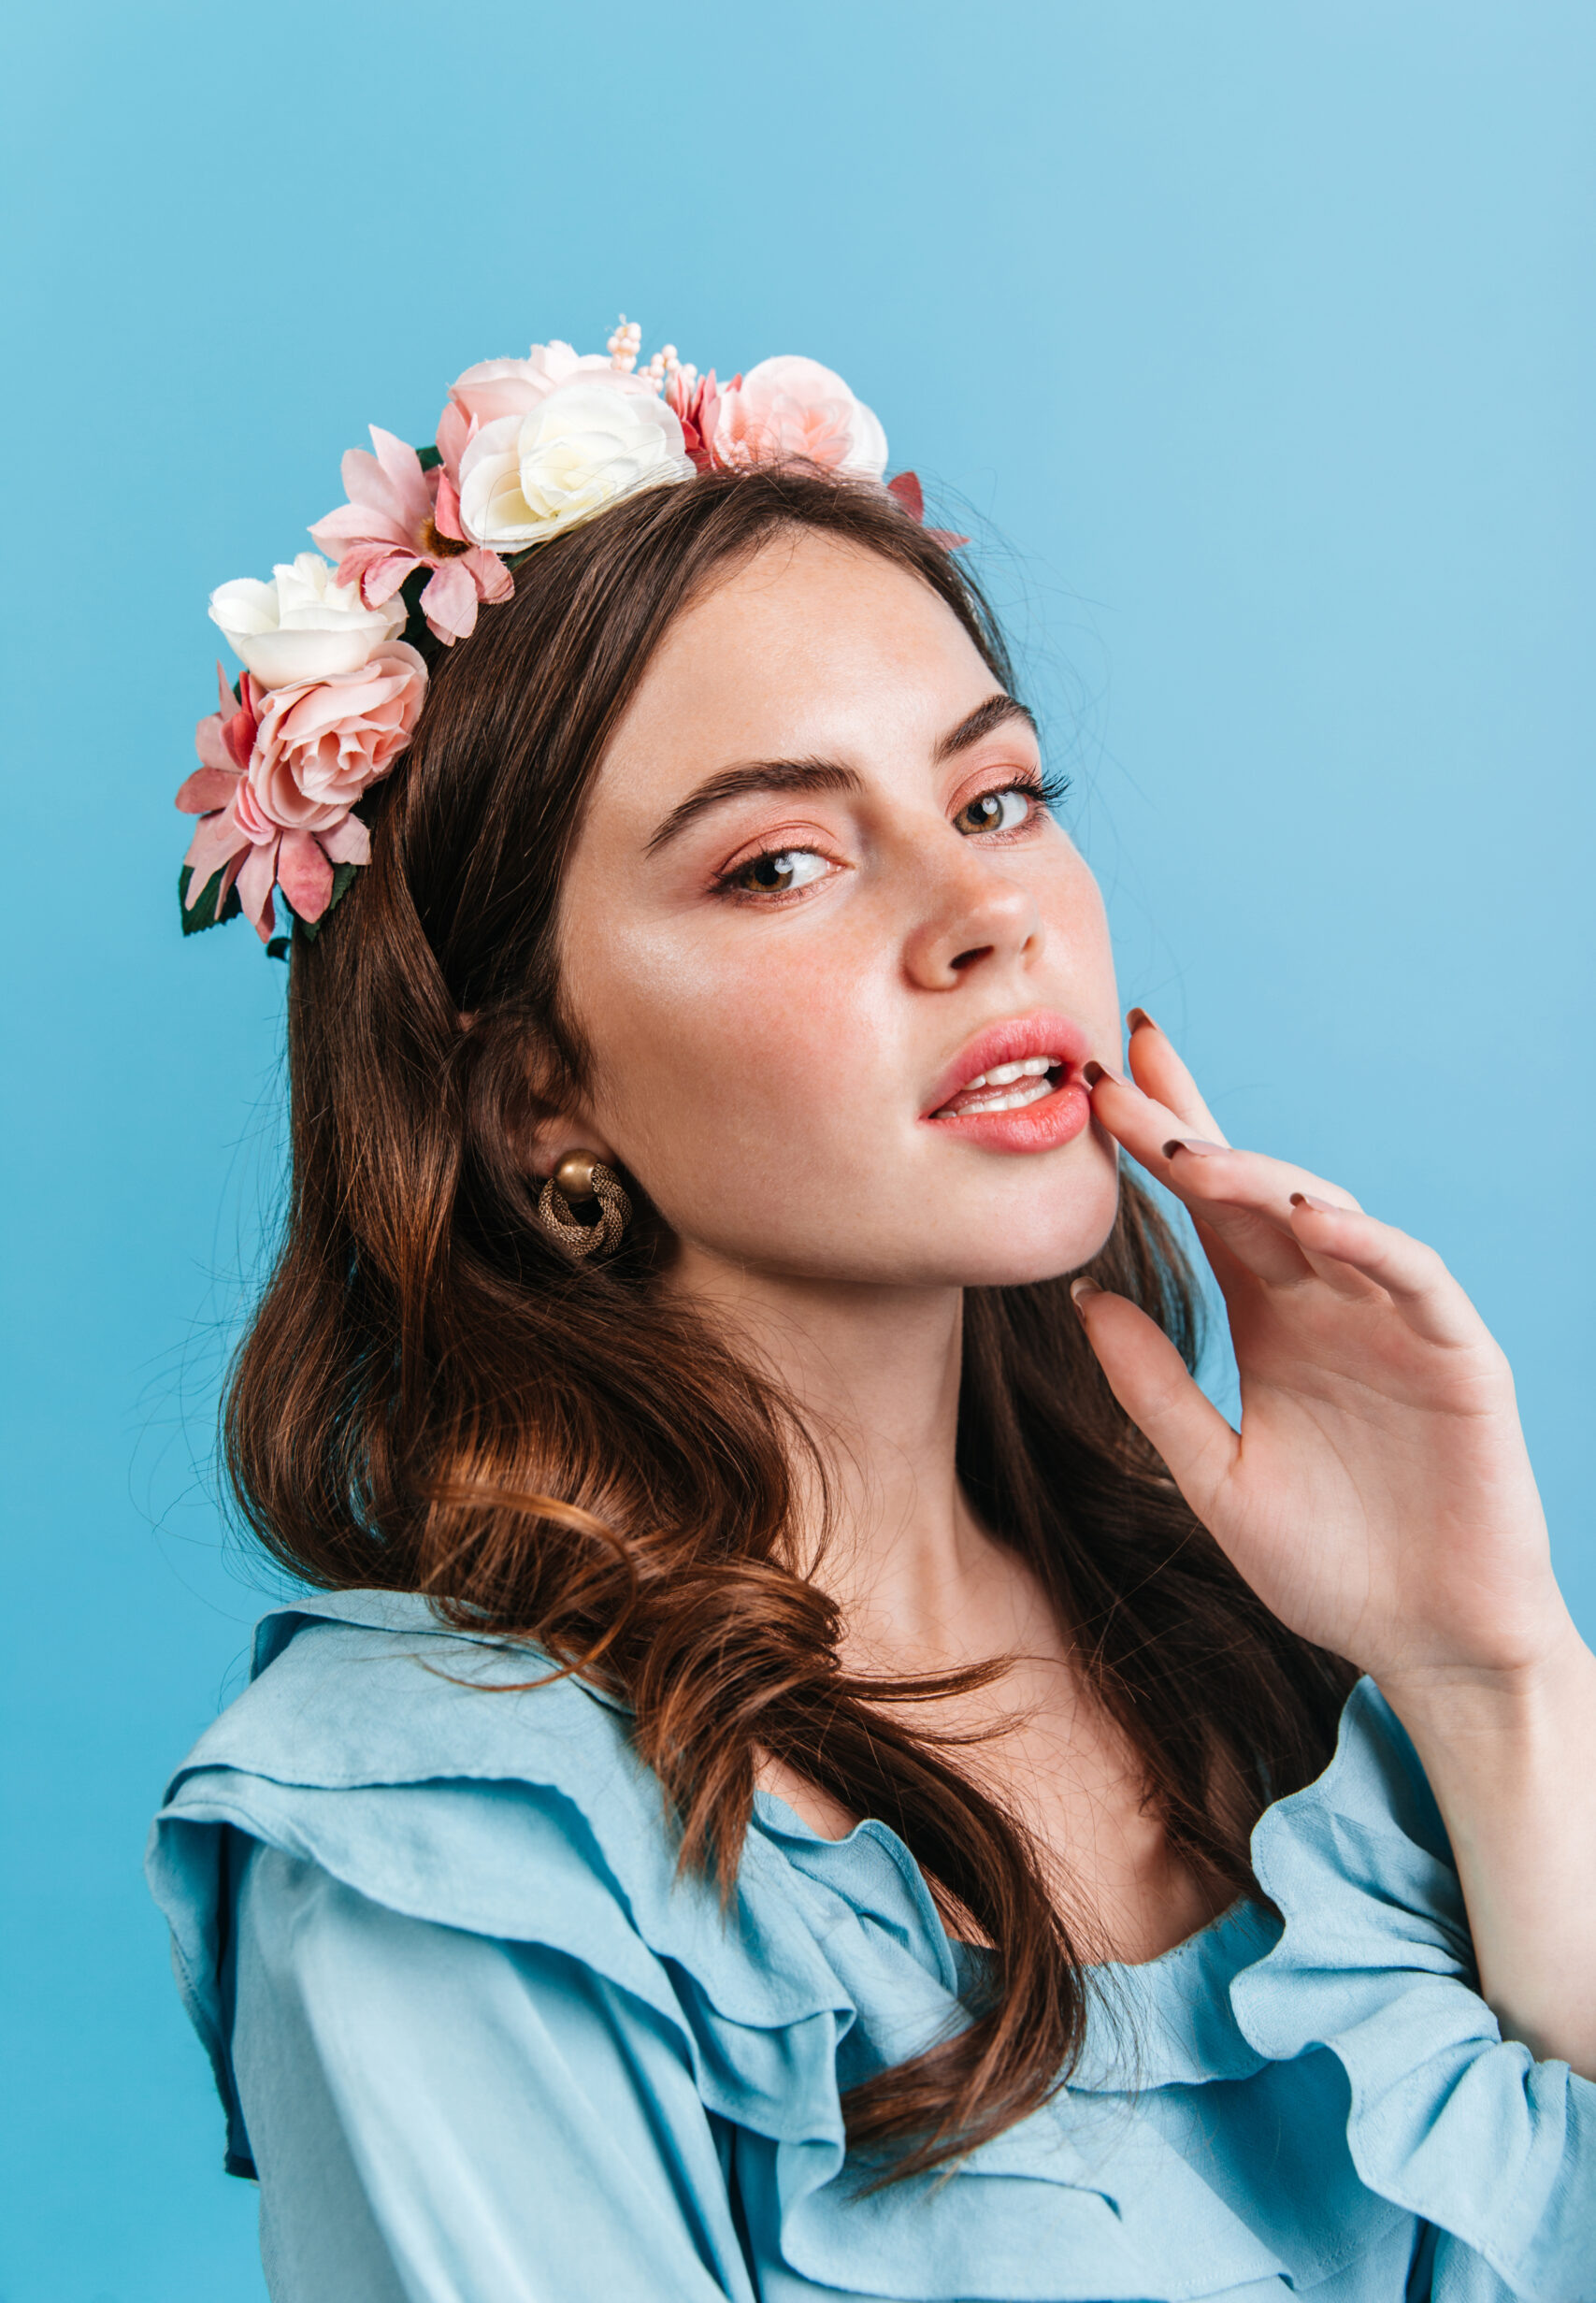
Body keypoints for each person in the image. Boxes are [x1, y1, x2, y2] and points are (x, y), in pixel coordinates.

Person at [151, 325, 1596, 2302]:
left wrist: (1487, 1673)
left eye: (994, 798)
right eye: (777, 860)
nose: (981, 911)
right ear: (531, 1098)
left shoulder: (1279, 1657)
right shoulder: (456, 1853)